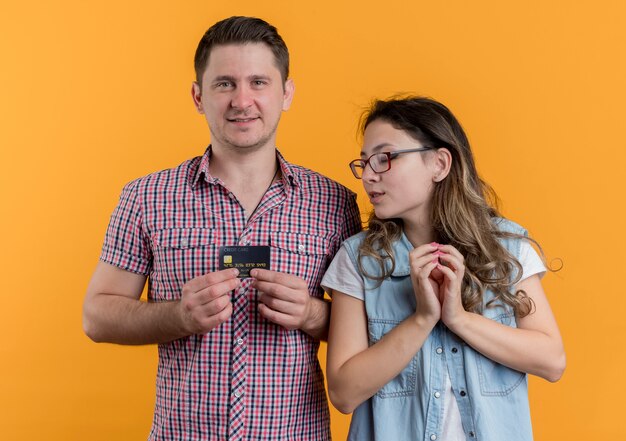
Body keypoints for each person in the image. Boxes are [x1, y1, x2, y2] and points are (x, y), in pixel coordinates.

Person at [82, 16, 361, 440]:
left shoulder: (335, 204)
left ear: (286, 93)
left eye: (259, 82)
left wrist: (310, 313)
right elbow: (97, 316)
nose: (242, 100)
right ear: (198, 96)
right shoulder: (145, 197)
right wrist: (178, 315)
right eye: (225, 83)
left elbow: (366, 328)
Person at [323, 96, 565, 441]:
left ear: (439, 163)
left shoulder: (505, 249)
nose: (369, 176)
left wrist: (459, 318)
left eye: (384, 158)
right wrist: (422, 319)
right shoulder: (359, 260)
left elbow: (552, 360)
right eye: (365, 163)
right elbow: (343, 393)